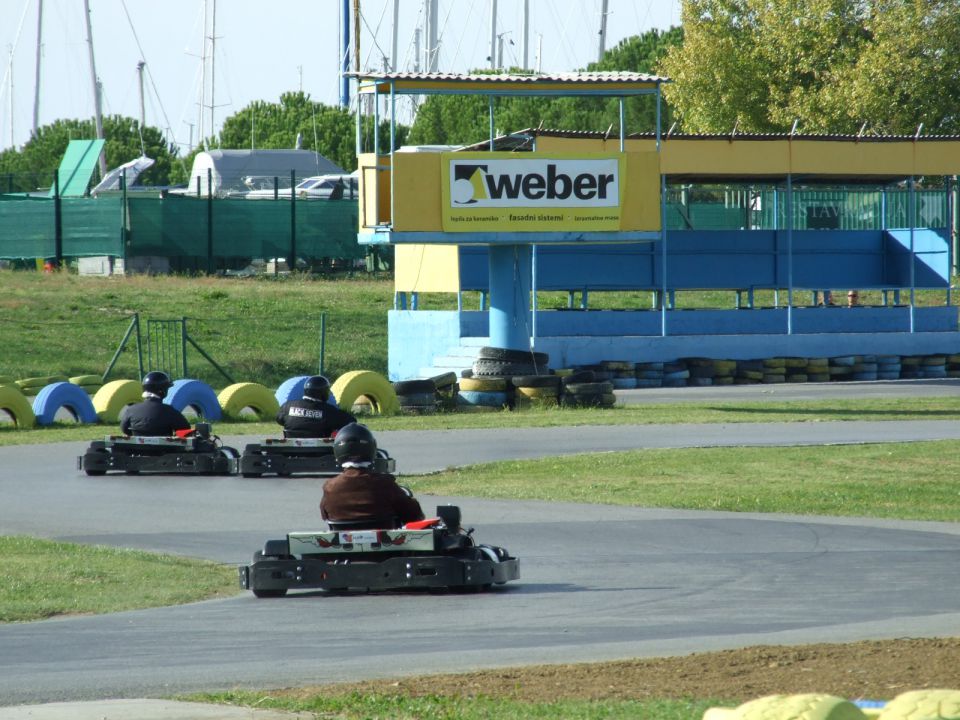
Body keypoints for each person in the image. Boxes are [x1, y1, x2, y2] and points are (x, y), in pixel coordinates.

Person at [320, 423, 424, 528]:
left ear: (337, 451)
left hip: (342, 542)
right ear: (371, 448)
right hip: (385, 542)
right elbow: (414, 515)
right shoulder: (384, 484)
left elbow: (325, 515)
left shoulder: (330, 487)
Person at [276, 375, 356, 438]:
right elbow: (351, 421)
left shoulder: (287, 406)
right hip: (319, 452)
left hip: (290, 450)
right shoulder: (329, 411)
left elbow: (279, 420)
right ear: (323, 392)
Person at [119, 371, 191, 437]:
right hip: (163, 449)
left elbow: (124, 429)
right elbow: (185, 430)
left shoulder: (131, 409)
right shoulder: (169, 411)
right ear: (162, 390)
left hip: (137, 449)